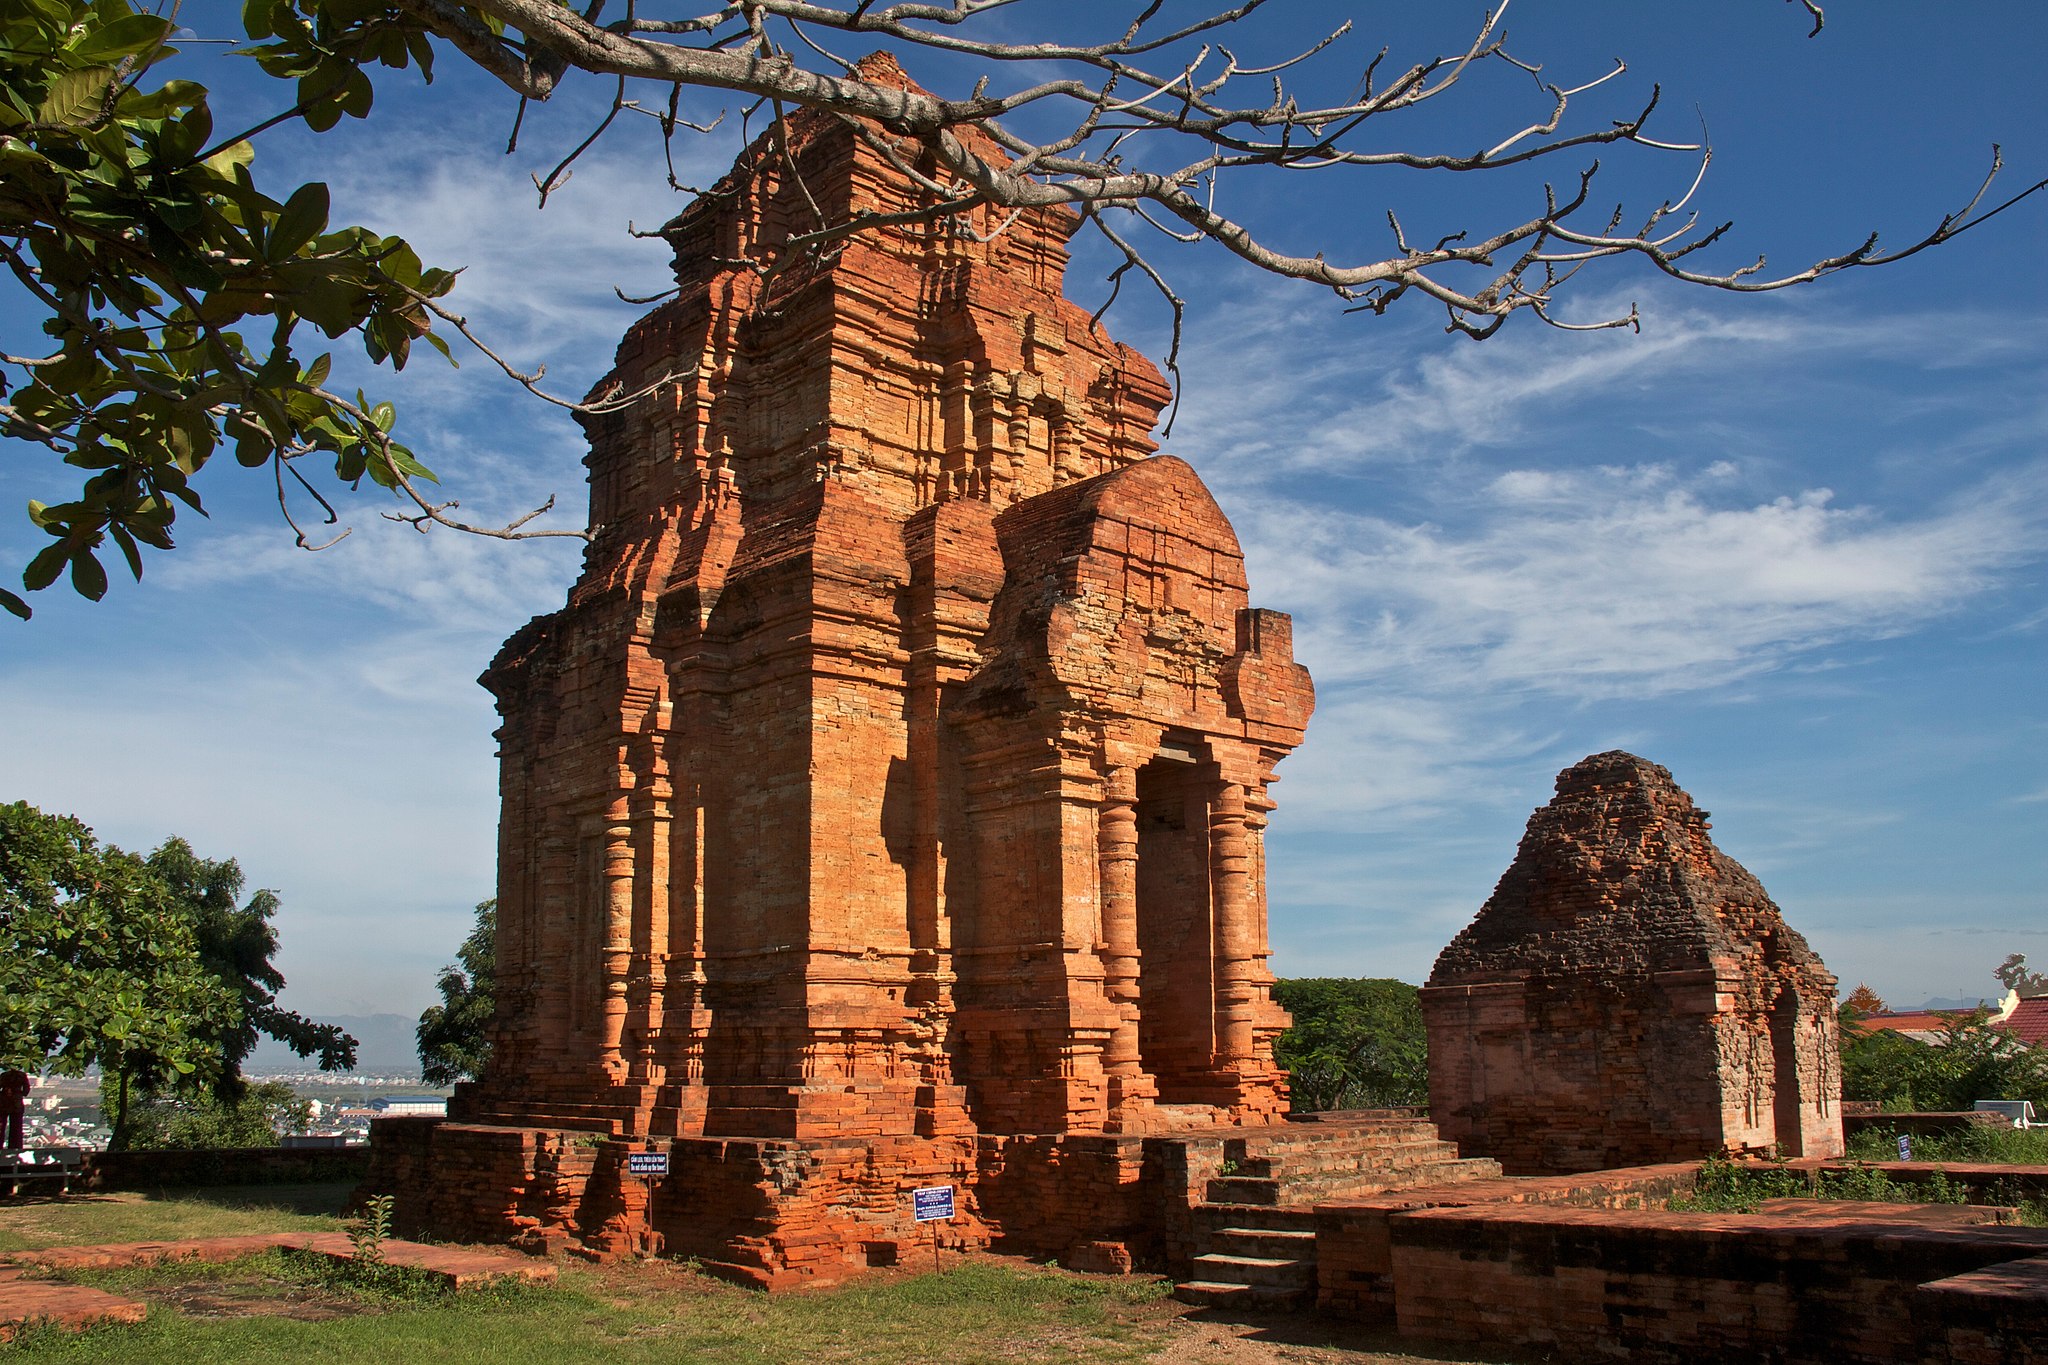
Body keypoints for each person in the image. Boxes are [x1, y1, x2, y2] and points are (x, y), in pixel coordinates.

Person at [0, 1069, 30, 1151]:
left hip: (3, 1103)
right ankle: (15, 1147)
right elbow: (26, 1091)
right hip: (16, 1104)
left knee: (1, 1127)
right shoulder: (22, 1075)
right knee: (16, 1128)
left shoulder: (4, 1075)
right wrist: (18, 1093)